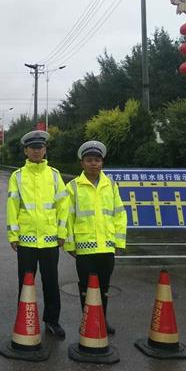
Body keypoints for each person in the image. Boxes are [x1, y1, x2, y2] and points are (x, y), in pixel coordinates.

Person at [6, 130, 69, 339]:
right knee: (25, 283)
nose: (36, 151)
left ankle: (52, 320)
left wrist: (62, 232)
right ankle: (25, 317)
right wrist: (13, 235)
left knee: (51, 283)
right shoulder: (18, 176)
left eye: (39, 147)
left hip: (50, 240)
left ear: (45, 149)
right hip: (26, 241)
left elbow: (63, 205)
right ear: (25, 150)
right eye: (32, 148)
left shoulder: (54, 175)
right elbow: (12, 206)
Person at [64, 140, 127, 335]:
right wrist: (70, 244)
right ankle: (87, 319)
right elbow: (68, 217)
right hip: (84, 249)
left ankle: (102, 319)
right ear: (82, 163)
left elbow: (119, 214)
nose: (94, 163)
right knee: (86, 288)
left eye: (97, 160)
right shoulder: (73, 187)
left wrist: (119, 242)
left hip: (107, 247)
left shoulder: (111, 185)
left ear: (102, 162)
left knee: (104, 288)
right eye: (89, 160)